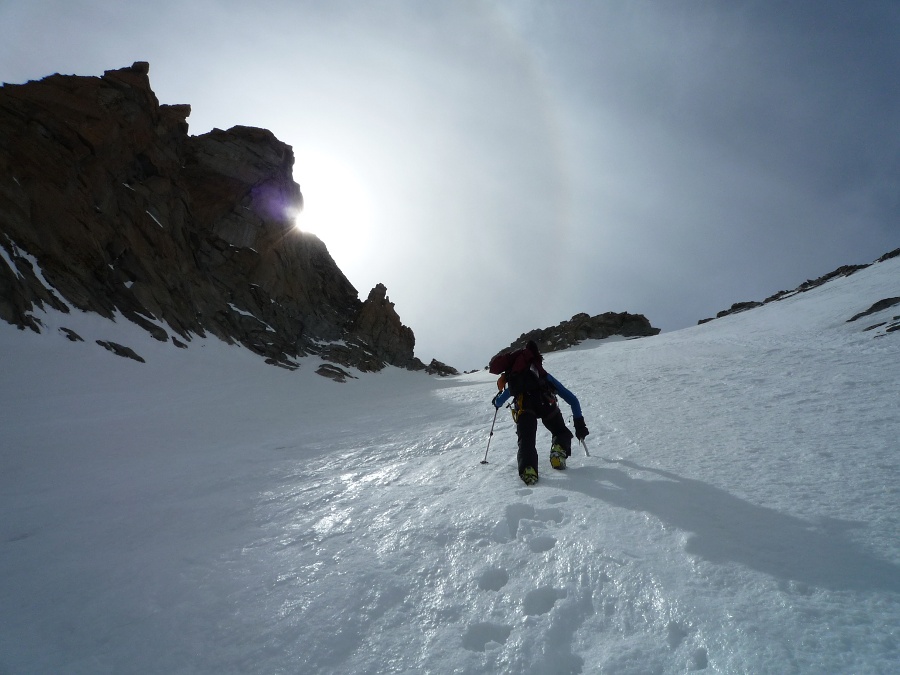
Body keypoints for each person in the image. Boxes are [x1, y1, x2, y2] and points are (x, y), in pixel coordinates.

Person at [490, 340, 589, 485]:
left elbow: (500, 401)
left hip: (524, 407)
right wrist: (579, 425)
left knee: (526, 441)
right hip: (546, 404)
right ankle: (558, 452)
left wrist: (497, 401)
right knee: (560, 431)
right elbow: (573, 400)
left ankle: (528, 470)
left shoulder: (516, 378)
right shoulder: (543, 375)